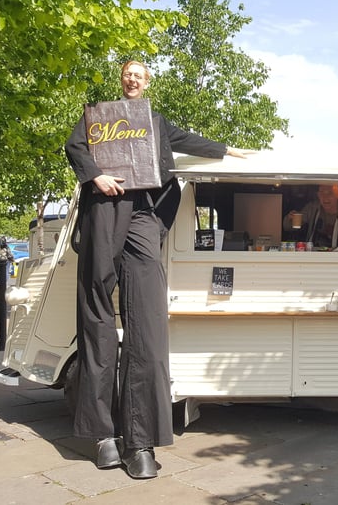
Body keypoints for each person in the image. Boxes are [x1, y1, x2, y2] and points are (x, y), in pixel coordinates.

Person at [65, 60, 251, 479]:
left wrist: (229, 151)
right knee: (95, 318)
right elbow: (75, 148)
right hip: (105, 210)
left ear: (148, 83)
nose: (133, 78)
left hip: (145, 217)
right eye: (128, 73)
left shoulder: (157, 122)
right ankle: (102, 436)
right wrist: (95, 177)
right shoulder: (97, 116)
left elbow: (192, 141)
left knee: (147, 324)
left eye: (140, 74)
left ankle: (141, 440)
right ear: (122, 79)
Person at [283, 184, 338, 248]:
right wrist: (290, 219)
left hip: (336, 257)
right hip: (313, 255)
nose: (325, 197)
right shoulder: (313, 208)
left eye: (330, 193)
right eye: (322, 193)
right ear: (318, 195)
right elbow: (289, 227)